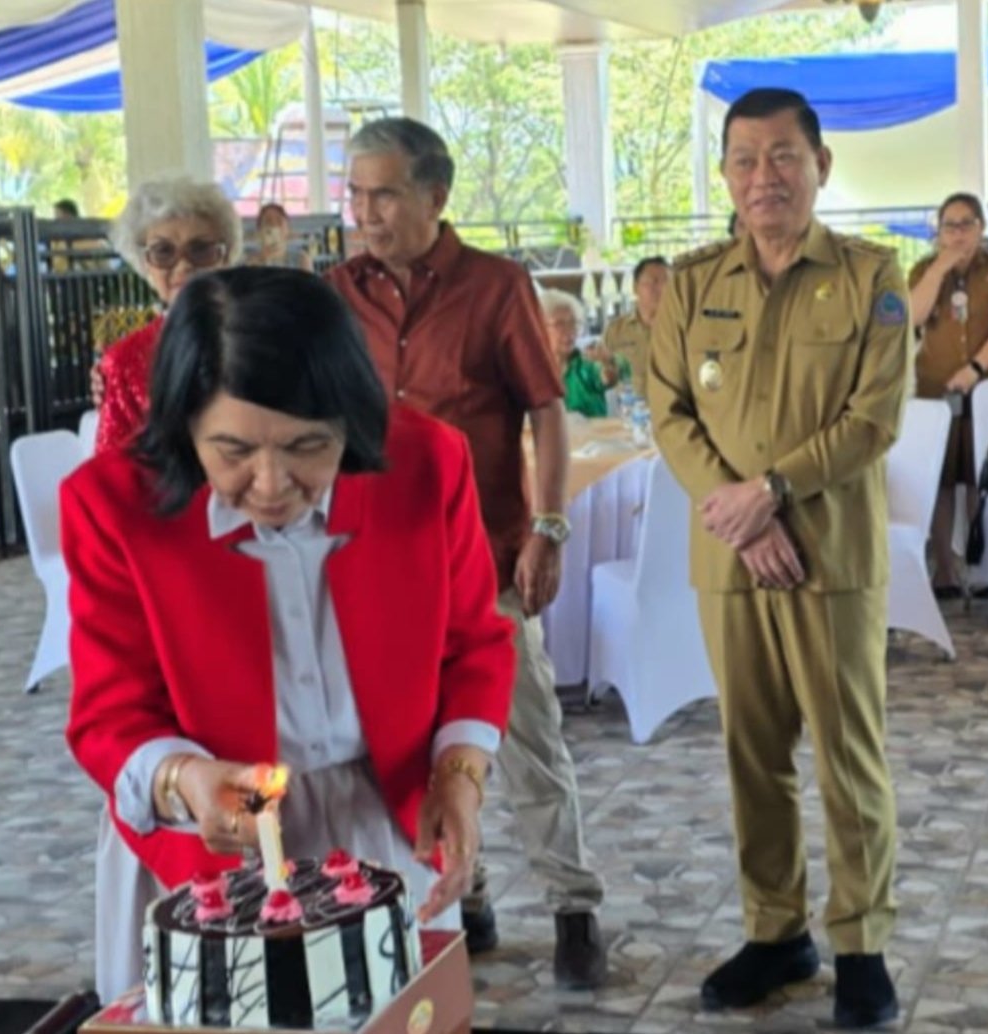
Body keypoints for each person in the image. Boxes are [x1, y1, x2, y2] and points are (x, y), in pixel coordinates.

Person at [62, 267, 516, 1003]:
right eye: (233, 451)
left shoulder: (426, 466)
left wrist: (458, 774)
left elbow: (474, 645)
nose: (271, 484)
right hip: (202, 852)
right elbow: (110, 714)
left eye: (308, 446)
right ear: (184, 428)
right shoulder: (114, 505)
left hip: (381, 818)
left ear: (351, 420)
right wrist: (185, 780)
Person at [326, 117, 608, 989]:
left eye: (383, 195)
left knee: (526, 737)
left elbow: (545, 410)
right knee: (411, 744)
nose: (364, 213)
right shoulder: (335, 295)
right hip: (376, 564)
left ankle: (572, 906)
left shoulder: (495, 286)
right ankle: (466, 898)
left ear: (435, 196)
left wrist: (549, 526)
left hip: (487, 556)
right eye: (354, 194)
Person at [648, 87, 908, 1029]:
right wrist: (745, 515)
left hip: (828, 556)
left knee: (847, 756)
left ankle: (862, 943)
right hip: (732, 559)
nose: (766, 176)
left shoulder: (872, 276)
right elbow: (669, 411)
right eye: (745, 159)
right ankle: (776, 931)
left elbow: (874, 417)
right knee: (751, 753)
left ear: (821, 166)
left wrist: (774, 492)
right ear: (725, 174)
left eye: (785, 156)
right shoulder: (692, 285)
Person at [907, 192, 988, 595]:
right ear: (938, 232)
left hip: (985, 390)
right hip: (935, 393)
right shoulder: (922, 270)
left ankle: (983, 568)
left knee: (979, 480)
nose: (957, 234)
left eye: (966, 224)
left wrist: (974, 370)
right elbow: (912, 316)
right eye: (949, 226)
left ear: (981, 228)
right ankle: (944, 570)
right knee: (939, 481)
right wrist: (940, 268)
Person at [93, 176, 241, 453]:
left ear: (226, 255)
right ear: (144, 263)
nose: (183, 265)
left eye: (200, 250)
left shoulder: (264, 337)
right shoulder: (124, 362)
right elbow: (113, 467)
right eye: (163, 252)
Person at [542, 288, 623, 418]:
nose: (569, 331)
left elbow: (608, 378)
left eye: (574, 323)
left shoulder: (586, 363)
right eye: (559, 324)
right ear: (539, 327)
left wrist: (607, 362)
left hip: (593, 431)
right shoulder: (530, 370)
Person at [600, 256, 669, 398]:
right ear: (635, 287)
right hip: (631, 406)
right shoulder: (616, 330)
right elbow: (604, 374)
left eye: (667, 282)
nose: (662, 288)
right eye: (654, 282)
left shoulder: (684, 328)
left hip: (674, 408)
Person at [247, 202, 315, 272]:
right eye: (268, 222)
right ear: (259, 232)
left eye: (279, 222)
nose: (274, 226)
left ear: (288, 229)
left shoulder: (302, 260)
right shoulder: (251, 264)